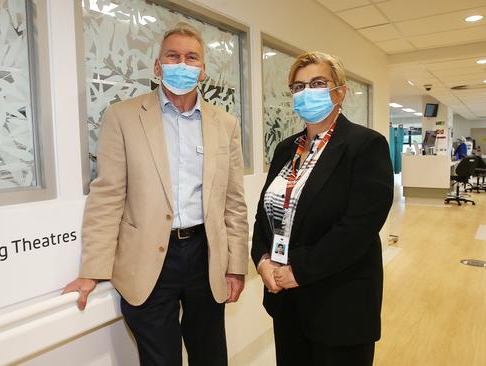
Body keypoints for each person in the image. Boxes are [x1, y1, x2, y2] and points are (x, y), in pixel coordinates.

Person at [63, 22, 249, 366]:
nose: (182, 63)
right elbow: (107, 196)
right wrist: (92, 269)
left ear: (203, 70)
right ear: (157, 66)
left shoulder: (224, 124)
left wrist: (236, 265)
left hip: (205, 254)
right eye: (173, 56)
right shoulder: (123, 116)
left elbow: (233, 203)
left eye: (191, 57)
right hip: (148, 259)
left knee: (211, 356)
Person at [251, 51, 393, 365]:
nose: (306, 92)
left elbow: (358, 228)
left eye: (317, 83)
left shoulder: (366, 145)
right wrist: (262, 259)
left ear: (339, 92)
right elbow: (266, 213)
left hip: (339, 304)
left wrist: (298, 271)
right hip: (287, 301)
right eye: (298, 87)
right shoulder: (285, 148)